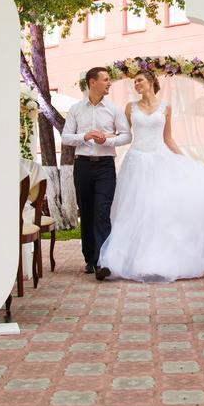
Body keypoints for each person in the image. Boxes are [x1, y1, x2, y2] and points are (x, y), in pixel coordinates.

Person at [96, 70, 204, 282]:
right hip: (136, 161)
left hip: (159, 160)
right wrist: (106, 137)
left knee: (158, 209)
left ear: (150, 82)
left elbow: (168, 138)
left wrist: (185, 160)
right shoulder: (131, 107)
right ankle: (124, 261)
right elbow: (125, 134)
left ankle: (157, 260)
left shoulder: (166, 107)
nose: (136, 84)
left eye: (139, 80)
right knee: (134, 210)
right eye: (134, 81)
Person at [61, 67, 131, 278]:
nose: (109, 83)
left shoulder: (114, 109)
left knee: (102, 212)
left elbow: (127, 135)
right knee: (87, 211)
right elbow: (65, 137)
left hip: (105, 167)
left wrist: (107, 140)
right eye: (106, 80)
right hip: (82, 166)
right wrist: (85, 136)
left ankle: (103, 261)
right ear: (92, 82)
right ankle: (90, 259)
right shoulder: (75, 109)